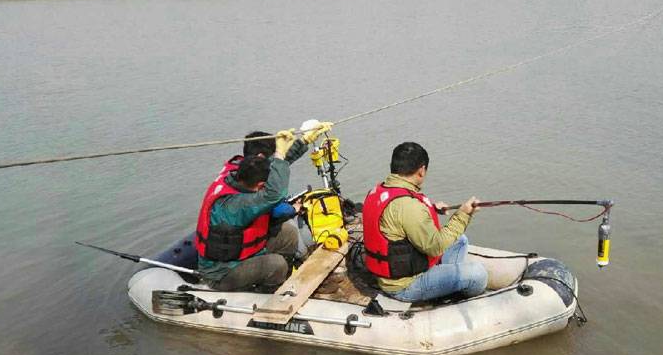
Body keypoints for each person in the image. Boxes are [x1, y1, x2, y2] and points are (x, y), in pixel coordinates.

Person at [195, 123, 331, 291]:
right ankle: (267, 292)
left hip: (238, 253)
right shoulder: (235, 205)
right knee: (277, 264)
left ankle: (284, 277)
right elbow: (274, 194)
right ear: (260, 185)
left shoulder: (242, 169)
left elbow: (272, 166)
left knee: (287, 234)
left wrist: (303, 141)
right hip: (222, 272)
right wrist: (280, 154)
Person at [362, 141, 488, 302]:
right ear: (421, 170)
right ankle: (452, 297)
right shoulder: (408, 206)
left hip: (394, 269)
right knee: (478, 274)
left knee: (461, 241)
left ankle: (445, 283)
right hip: (404, 285)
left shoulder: (381, 190)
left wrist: (432, 209)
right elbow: (435, 247)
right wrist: (463, 214)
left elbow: (399, 220)